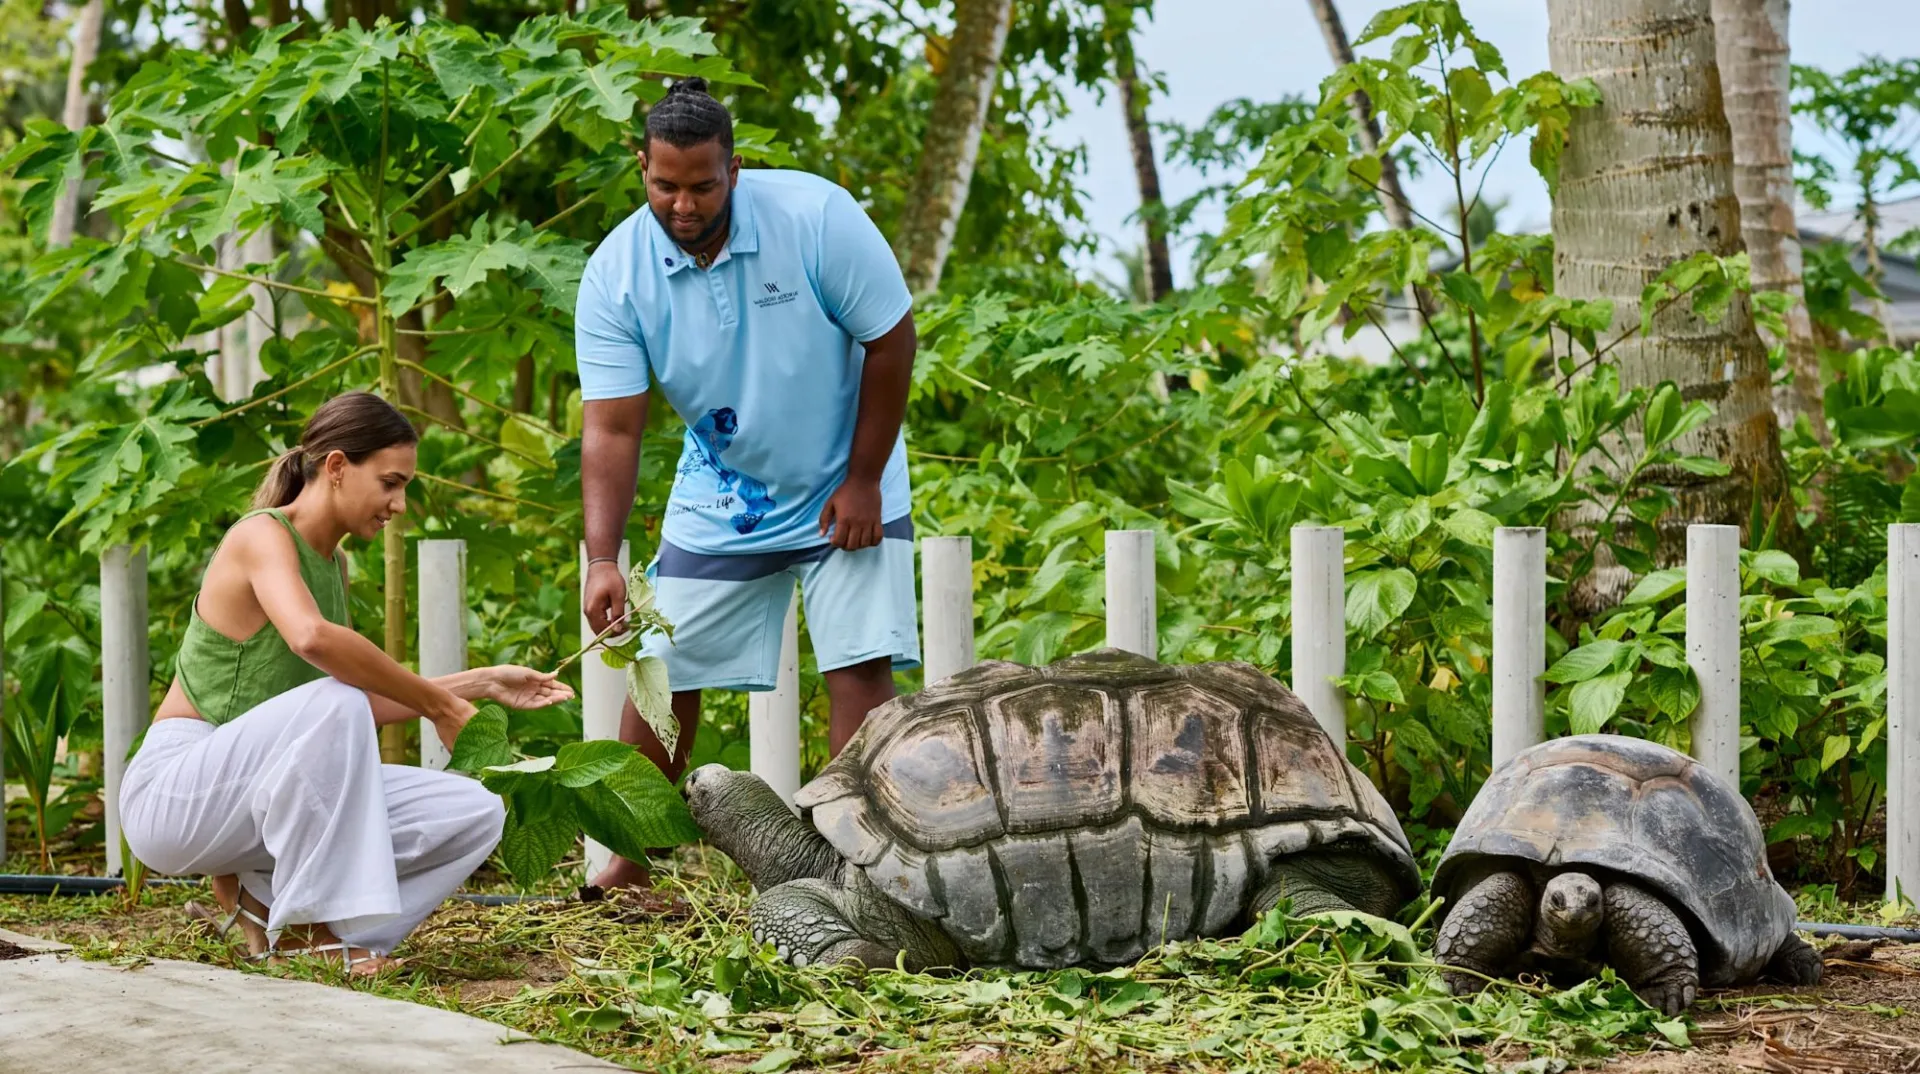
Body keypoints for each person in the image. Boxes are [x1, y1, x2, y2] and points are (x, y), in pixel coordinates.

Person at [573, 77, 920, 891]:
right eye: (665, 185)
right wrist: (603, 558)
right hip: (726, 485)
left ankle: (854, 874)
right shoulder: (616, 274)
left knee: (858, 663)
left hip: (845, 474)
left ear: (735, 169)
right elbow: (613, 429)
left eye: (702, 186)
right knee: (665, 663)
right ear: (641, 168)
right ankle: (629, 866)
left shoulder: (816, 217)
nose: (683, 205)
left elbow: (892, 339)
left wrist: (864, 478)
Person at [119, 392, 573, 976]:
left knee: (474, 811)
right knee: (337, 697)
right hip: (174, 798)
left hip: (251, 798)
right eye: (389, 483)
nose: (399, 504)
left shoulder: (334, 564)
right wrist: (438, 705)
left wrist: (481, 682)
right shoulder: (262, 536)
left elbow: (345, 711)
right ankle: (306, 933)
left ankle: (303, 926)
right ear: (336, 466)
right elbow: (312, 642)